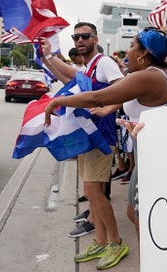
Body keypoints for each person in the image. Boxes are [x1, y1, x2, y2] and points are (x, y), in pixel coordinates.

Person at [45, 28, 167, 249]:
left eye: (132, 46)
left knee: (141, 216)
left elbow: (98, 97)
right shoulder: (156, 74)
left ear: (144, 54)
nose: (128, 51)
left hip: (156, 159)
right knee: (135, 213)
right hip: (147, 157)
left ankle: (145, 258)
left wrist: (58, 102)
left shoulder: (147, 76)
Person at [40, 22, 128, 270]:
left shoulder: (104, 63)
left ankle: (115, 241)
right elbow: (66, 75)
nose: (80, 40)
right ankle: (100, 241)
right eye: (76, 37)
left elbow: (123, 89)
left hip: (102, 138)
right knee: (91, 193)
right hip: (87, 137)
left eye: (85, 36)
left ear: (95, 38)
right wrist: (47, 56)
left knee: (95, 192)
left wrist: (107, 108)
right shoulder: (88, 67)